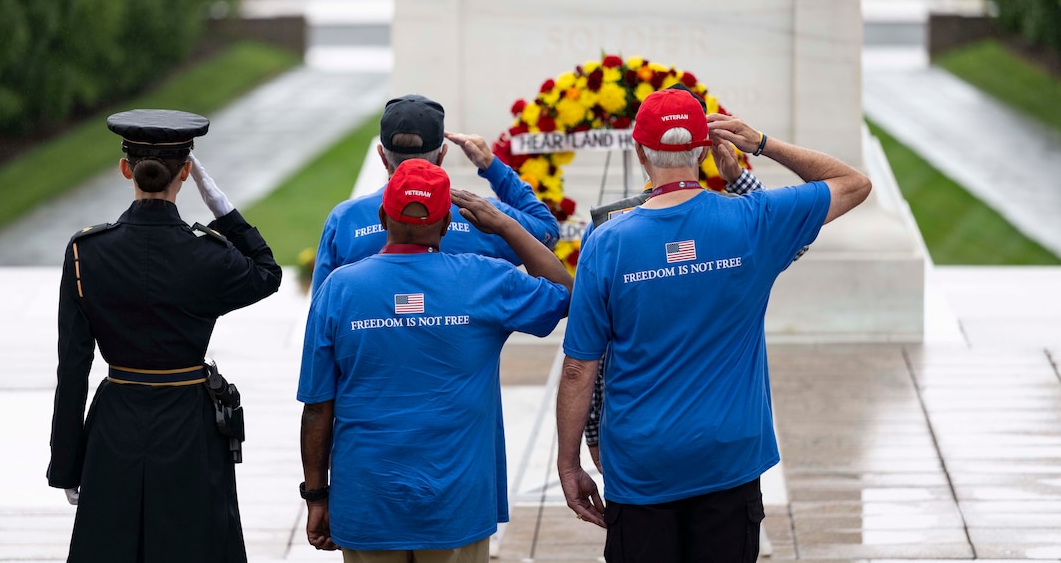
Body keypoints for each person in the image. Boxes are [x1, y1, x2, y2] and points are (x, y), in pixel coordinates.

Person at [556, 89, 871, 562]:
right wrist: (760, 144)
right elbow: (852, 182)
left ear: (640, 152)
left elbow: (581, 368)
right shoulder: (753, 220)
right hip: (728, 458)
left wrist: (569, 463)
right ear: (704, 150)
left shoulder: (607, 242)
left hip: (644, 463)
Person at [298, 159, 572, 561]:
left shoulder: (339, 289)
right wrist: (506, 226)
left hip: (367, 499)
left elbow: (317, 409)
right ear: (447, 225)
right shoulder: (485, 279)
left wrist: (317, 497)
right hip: (456, 503)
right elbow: (566, 294)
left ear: (381, 216)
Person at [47, 109, 283, 562]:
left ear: (124, 169)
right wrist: (224, 211)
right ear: (187, 172)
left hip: (115, 424)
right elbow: (267, 273)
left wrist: (66, 464)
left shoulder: (86, 253)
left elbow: (72, 369)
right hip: (190, 427)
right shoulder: (209, 255)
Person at [581, 88, 805, 471]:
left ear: (642, 149)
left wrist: (593, 435)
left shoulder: (609, 229)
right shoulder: (743, 222)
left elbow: (590, 357)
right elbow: (797, 237)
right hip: (727, 447)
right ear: (704, 148)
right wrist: (741, 175)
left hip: (642, 446)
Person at [310, 93, 559, 297]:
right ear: (441, 156)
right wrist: (491, 166)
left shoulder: (344, 220)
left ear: (382, 156)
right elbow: (547, 232)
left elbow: (322, 314)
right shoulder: (482, 215)